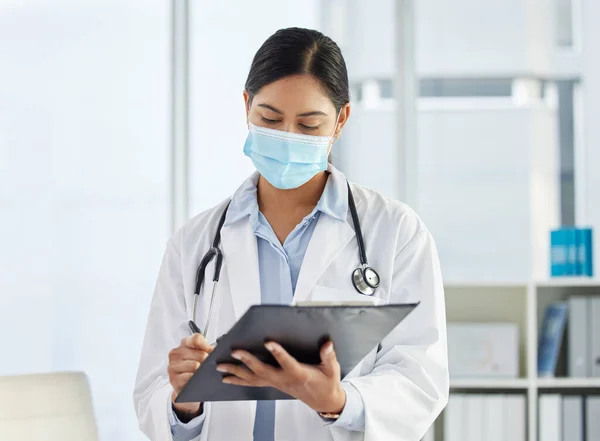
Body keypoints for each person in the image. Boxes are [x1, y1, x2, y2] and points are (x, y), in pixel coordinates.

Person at [133, 27, 448, 441]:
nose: (287, 138)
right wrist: (184, 400)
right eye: (270, 119)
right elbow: (153, 389)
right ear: (246, 106)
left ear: (341, 120)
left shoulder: (396, 233)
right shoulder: (194, 244)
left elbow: (421, 375)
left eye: (308, 124)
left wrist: (337, 400)